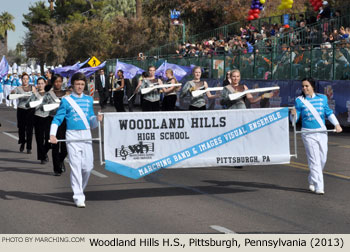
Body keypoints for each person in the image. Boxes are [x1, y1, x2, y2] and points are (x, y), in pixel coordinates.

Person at [50, 72, 103, 208]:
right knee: (76, 167)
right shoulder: (66, 100)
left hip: (86, 134)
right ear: (72, 85)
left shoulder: (89, 99)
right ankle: (78, 196)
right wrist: (52, 134)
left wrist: (96, 119)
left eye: (82, 84)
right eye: (77, 84)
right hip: (72, 135)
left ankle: (80, 189)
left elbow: (90, 118)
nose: (79, 86)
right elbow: (58, 118)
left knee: (87, 167)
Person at [291, 78, 342, 195]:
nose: (304, 88)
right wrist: (293, 115)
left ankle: (312, 179)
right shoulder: (299, 101)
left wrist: (337, 124)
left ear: (312, 86)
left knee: (323, 158)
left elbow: (328, 112)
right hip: (307, 133)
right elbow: (295, 119)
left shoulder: (322, 98)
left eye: (306, 86)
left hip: (322, 132)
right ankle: (320, 186)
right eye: (303, 86)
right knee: (314, 160)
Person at [43, 74, 69, 176]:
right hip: (52, 121)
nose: (58, 83)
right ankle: (57, 169)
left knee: (65, 148)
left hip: (64, 122)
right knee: (55, 145)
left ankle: (60, 159)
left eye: (60, 81)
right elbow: (44, 107)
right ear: (53, 83)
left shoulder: (67, 93)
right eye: (56, 81)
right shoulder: (48, 94)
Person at [10, 73, 36, 153]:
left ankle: (29, 147)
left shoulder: (32, 88)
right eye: (24, 79)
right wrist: (12, 93)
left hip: (30, 110)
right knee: (21, 129)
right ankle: (22, 142)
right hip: (21, 109)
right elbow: (11, 96)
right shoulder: (18, 88)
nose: (25, 80)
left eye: (27, 79)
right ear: (21, 80)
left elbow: (36, 96)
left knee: (29, 129)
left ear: (29, 80)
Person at [27, 77, 50, 164]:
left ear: (45, 84)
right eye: (39, 83)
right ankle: (42, 157)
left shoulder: (49, 94)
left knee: (48, 139)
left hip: (48, 117)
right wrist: (31, 104)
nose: (40, 85)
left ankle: (43, 152)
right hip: (37, 117)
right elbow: (27, 105)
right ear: (37, 85)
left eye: (42, 83)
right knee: (39, 139)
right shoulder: (34, 95)